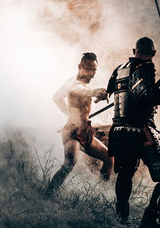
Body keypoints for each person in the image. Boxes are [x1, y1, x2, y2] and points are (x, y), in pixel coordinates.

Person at [106, 37, 160, 227]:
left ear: (134, 50)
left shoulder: (119, 69)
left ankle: (121, 220)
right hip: (140, 131)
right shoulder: (146, 67)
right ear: (154, 53)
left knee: (125, 174)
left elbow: (115, 93)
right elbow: (151, 98)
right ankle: (149, 220)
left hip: (119, 131)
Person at [45, 52, 113, 196]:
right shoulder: (75, 83)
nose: (91, 73)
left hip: (85, 131)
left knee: (109, 158)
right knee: (69, 163)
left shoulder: (73, 82)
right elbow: (81, 90)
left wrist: (70, 113)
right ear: (79, 66)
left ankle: (103, 193)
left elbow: (57, 98)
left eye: (94, 70)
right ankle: (47, 195)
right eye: (88, 69)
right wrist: (95, 92)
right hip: (73, 132)